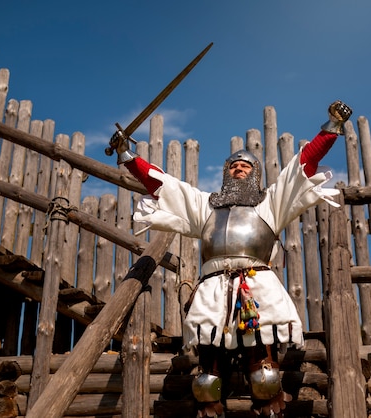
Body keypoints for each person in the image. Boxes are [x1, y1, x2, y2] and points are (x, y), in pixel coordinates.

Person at [113, 100, 352, 417]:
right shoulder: (206, 207)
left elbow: (303, 166)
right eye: (234, 166)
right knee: (206, 379)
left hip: (255, 288)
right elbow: (162, 185)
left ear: (255, 175)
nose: (239, 168)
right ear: (225, 173)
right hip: (213, 289)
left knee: (264, 377)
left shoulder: (270, 204)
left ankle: (268, 403)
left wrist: (332, 126)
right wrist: (127, 156)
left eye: (246, 167)